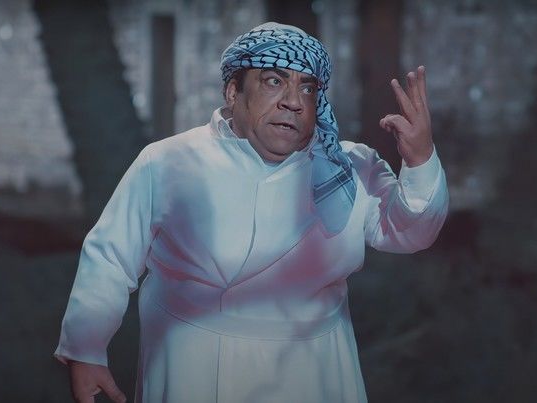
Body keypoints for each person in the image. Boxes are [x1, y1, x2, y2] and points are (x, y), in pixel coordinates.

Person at [55, 22, 449, 403]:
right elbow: (111, 257)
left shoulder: (349, 167)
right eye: (274, 81)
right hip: (192, 364)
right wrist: (86, 348)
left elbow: (412, 232)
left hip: (315, 370)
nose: (293, 101)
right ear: (233, 91)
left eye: (307, 88)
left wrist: (420, 160)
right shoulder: (168, 161)